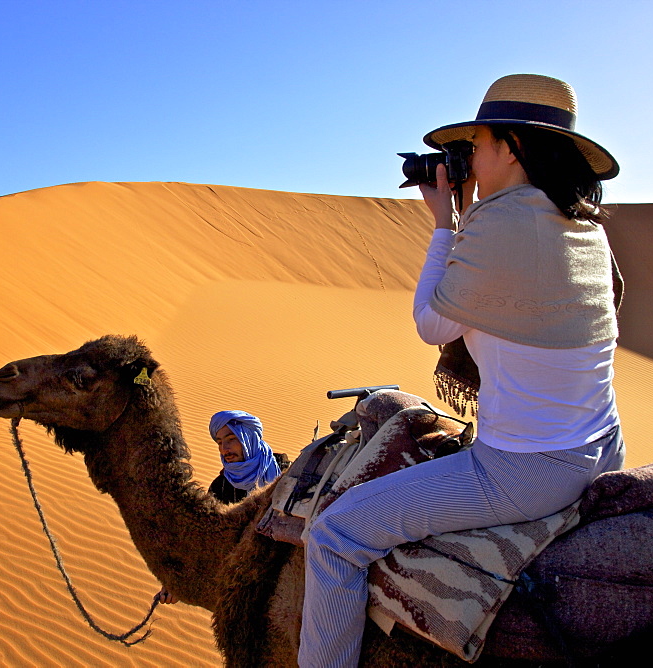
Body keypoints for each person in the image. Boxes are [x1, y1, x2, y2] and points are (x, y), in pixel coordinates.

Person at [298, 74, 626, 667]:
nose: (468, 157)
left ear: (512, 147)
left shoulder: (502, 224)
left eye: (476, 143)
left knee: (333, 537)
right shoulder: (581, 225)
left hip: (527, 469)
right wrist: (468, 210)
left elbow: (433, 324)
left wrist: (446, 223)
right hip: (603, 445)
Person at [157, 409, 287, 604]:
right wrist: (177, 582)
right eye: (219, 442)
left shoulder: (285, 471)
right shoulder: (221, 487)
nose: (224, 449)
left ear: (247, 437)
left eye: (231, 439)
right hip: (250, 584)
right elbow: (204, 540)